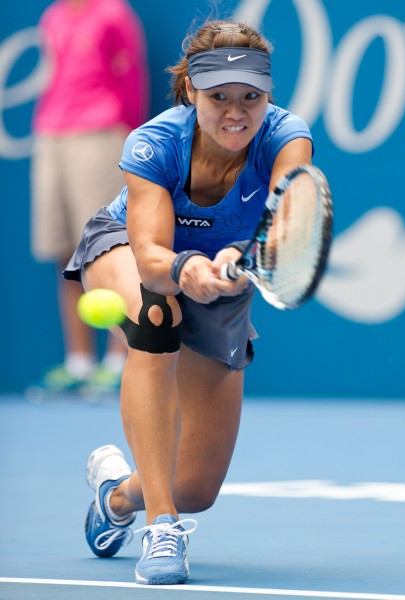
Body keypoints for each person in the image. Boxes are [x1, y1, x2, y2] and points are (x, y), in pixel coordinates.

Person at [64, 19, 313, 584]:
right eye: (218, 96)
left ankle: (119, 498)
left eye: (250, 96)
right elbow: (151, 253)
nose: (235, 111)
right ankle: (160, 528)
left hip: (221, 278)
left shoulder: (287, 136)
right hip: (128, 250)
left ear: (268, 95)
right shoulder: (153, 143)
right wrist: (186, 267)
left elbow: (287, 225)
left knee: (196, 488)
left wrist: (236, 259)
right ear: (189, 92)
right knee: (159, 312)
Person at [29, 0, 150, 397]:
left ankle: (118, 360)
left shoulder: (114, 14)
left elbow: (132, 79)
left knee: (108, 248)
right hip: (51, 136)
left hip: (100, 135)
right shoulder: (53, 17)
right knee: (63, 252)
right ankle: (78, 362)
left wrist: (129, 140)